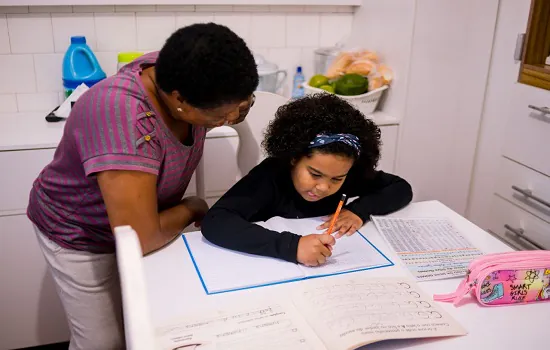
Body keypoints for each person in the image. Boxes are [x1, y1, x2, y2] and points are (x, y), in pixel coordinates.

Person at [27, 23, 258, 349]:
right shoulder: (121, 114)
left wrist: (237, 105)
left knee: (150, 321)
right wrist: (193, 207)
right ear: (180, 101)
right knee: (102, 341)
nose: (232, 118)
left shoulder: (181, 68)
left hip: (145, 217)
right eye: (221, 117)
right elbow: (140, 237)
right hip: (80, 231)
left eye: (242, 105)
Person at [202, 93, 413, 267]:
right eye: (315, 174)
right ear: (294, 157)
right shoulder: (270, 176)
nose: (323, 187)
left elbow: (400, 187)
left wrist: (359, 211)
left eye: (337, 179)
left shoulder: (349, 174)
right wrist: (292, 247)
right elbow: (215, 221)